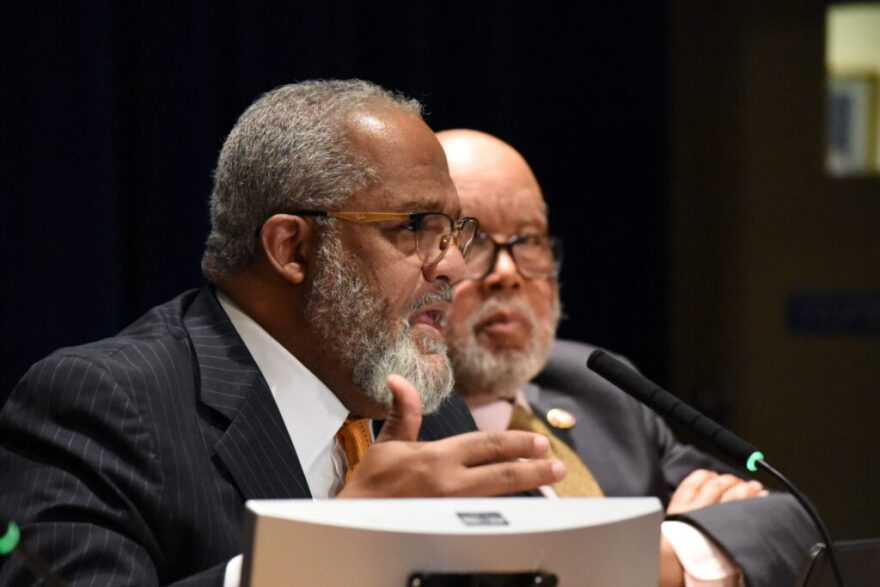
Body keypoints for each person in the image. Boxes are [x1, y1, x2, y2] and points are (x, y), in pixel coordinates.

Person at [0, 82, 565, 586]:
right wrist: (335, 542)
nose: (453, 269)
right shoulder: (104, 405)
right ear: (291, 248)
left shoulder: (429, 415)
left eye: (452, 232)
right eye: (417, 227)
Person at [438, 129, 819, 587]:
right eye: (472, 240)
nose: (507, 273)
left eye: (528, 240)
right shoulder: (384, 425)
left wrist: (669, 550)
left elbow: (787, 522)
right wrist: (648, 562)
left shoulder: (595, 386)